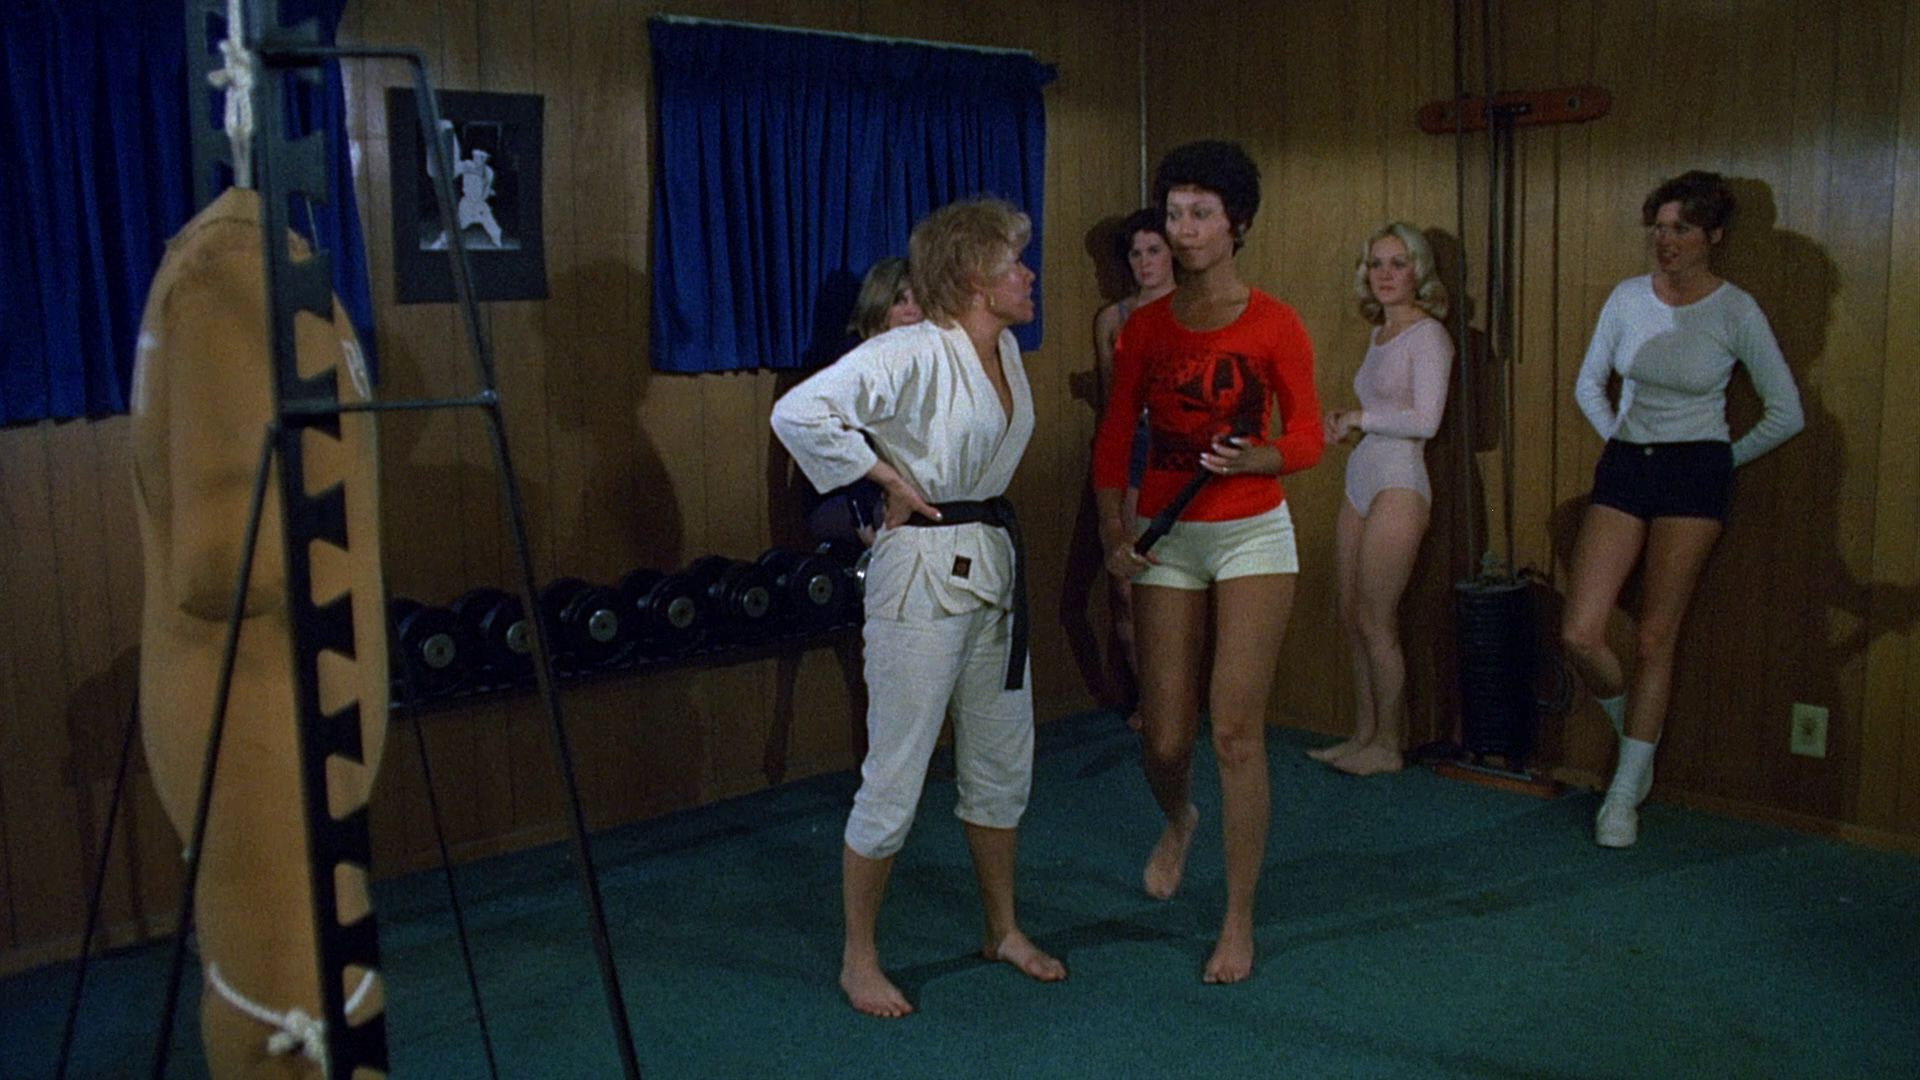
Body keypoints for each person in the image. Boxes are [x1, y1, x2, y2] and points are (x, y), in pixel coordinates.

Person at [772, 198, 1066, 1017]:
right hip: (920, 575)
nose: (1029, 275)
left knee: (1001, 760)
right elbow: (798, 412)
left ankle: (1002, 929)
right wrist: (882, 477)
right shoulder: (911, 349)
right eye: (1014, 263)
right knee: (896, 770)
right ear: (973, 277)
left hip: (991, 566)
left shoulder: (1004, 350)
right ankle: (859, 957)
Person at [1093, 141, 1324, 983]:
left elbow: (1308, 434)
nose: (1184, 230)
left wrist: (1263, 458)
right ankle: (1179, 818)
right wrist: (1116, 528)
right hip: (1166, 534)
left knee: (1232, 729)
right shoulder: (1146, 328)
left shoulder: (1275, 321)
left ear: (1237, 224)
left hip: (1253, 531)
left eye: (1201, 214)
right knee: (1164, 736)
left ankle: (1237, 917)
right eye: (1175, 213)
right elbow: (1116, 435)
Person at [1561, 170, 1803, 848]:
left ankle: (1623, 796)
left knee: (1654, 638)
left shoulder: (1736, 309)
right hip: (1626, 465)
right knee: (1580, 632)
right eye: (1660, 228)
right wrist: (1619, 436)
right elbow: (1588, 383)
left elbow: (1787, 412)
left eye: (1683, 229)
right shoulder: (1627, 297)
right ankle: (1633, 738)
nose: (1666, 241)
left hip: (1696, 471)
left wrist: (1720, 458)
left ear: (1714, 236)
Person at [1310, 223, 1453, 776]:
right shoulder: (1379, 334)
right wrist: (1349, 423)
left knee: (1377, 618)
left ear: (1419, 271)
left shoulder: (1429, 336)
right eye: (1376, 264)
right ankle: (1364, 734)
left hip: (1400, 481)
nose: (1386, 275)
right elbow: (1383, 413)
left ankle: (1389, 745)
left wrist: (1361, 417)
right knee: (1351, 615)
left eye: (1398, 263)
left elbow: (1426, 420)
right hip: (1363, 474)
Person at [1092, 209, 1175, 728]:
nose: (1144, 262)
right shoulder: (1114, 317)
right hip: (1132, 445)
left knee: (1178, 578)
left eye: (1154, 251)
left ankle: (1179, 696)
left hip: (1180, 447)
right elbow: (1111, 406)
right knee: (1126, 580)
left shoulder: (1192, 308)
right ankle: (1151, 698)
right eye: (1136, 253)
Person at [804, 257, 925, 547]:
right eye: (900, 301)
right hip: (844, 496)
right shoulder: (853, 359)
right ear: (879, 305)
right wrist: (862, 518)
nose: (912, 310)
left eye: (918, 300)